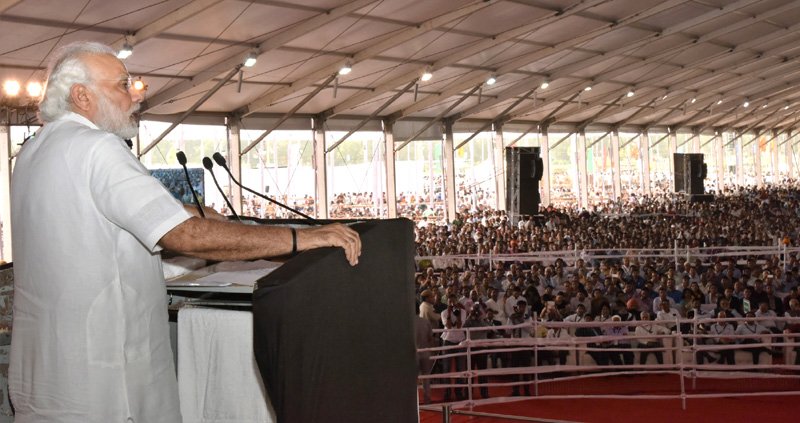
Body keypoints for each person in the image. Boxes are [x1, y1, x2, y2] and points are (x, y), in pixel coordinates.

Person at [9, 41, 362, 423]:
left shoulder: (34, 151)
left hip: (48, 375)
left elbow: (105, 207)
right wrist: (301, 238)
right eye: (122, 85)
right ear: (81, 96)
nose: (135, 96)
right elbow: (184, 237)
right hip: (107, 383)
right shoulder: (98, 147)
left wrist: (193, 212)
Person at [415, 314, 436, 404]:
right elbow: (430, 338)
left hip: (412, 354)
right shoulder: (425, 321)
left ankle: (414, 401)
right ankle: (427, 399)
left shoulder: (406, 322)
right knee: (426, 377)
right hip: (425, 352)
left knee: (412, 378)